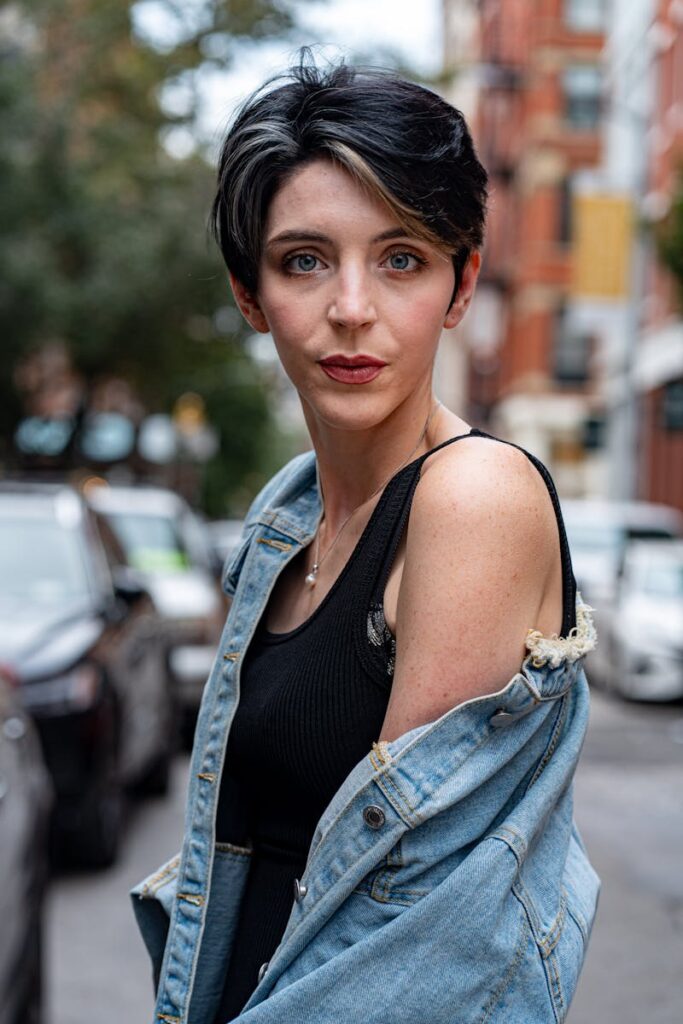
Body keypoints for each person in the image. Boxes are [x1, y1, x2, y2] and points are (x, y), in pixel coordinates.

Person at [131, 52, 600, 1023]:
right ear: (250, 294)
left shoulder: (472, 497)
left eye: (400, 259)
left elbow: (410, 915)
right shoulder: (286, 517)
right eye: (304, 259)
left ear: (461, 284)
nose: (351, 307)